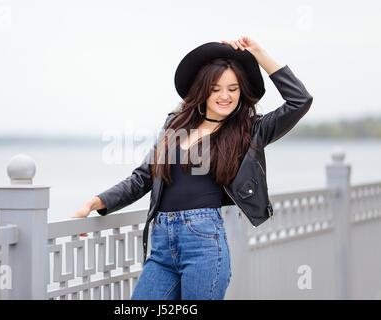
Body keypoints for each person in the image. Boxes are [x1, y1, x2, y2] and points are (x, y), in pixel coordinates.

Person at [71, 36, 313, 300]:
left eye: (233, 89)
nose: (225, 96)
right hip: (162, 246)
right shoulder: (176, 123)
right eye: (216, 88)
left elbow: (299, 101)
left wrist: (260, 55)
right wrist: (94, 203)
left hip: (204, 244)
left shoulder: (251, 131)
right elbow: (143, 178)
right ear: (203, 90)